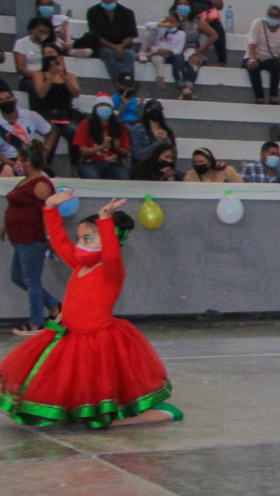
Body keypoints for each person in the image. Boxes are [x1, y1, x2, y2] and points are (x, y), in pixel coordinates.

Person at [0, 193, 182, 427]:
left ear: (108, 240)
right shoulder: (79, 265)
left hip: (97, 342)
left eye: (87, 239)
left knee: (103, 413)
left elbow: (112, 253)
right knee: (72, 388)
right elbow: (59, 242)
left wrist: (105, 220)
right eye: (79, 238)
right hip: (70, 336)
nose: (79, 244)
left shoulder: (111, 270)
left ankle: (163, 413)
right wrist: (50, 208)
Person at [3, 144, 59, 336]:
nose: (17, 162)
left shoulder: (41, 184)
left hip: (32, 239)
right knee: (18, 277)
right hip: (19, 238)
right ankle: (54, 306)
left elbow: (48, 213)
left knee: (32, 280)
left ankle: (36, 322)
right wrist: (6, 227)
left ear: (27, 161)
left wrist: (49, 237)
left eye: (19, 159)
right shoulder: (27, 180)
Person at [30, 48, 80, 178]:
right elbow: (41, 94)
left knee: (75, 131)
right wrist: (51, 76)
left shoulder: (69, 76)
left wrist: (63, 75)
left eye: (52, 54)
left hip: (65, 114)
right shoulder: (39, 74)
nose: (50, 58)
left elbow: (76, 93)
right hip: (46, 113)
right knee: (53, 131)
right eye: (46, 55)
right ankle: (45, 165)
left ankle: (74, 168)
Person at [154, 0, 217, 100]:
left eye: (186, 4)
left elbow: (214, 35)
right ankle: (184, 89)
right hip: (173, 51)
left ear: (190, 6)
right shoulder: (170, 19)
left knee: (195, 60)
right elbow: (157, 29)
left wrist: (202, 49)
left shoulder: (197, 22)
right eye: (180, 4)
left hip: (190, 50)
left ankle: (187, 88)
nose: (182, 6)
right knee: (178, 59)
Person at [73, 93, 130, 180]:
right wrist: (101, 147)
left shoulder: (120, 127)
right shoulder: (85, 124)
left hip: (114, 164)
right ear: (95, 108)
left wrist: (117, 148)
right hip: (91, 163)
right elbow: (83, 151)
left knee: (124, 177)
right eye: (101, 105)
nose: (105, 107)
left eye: (107, 105)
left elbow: (126, 152)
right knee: (93, 177)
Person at [244, 5, 280, 105]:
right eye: (271, 14)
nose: (273, 17)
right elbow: (252, 42)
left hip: (269, 58)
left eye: (276, 15)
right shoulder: (258, 23)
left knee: (277, 66)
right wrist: (252, 58)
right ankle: (259, 98)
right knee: (253, 67)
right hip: (254, 56)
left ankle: (273, 97)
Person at [0, 89, 53, 176]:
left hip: (32, 159)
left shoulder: (31, 115)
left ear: (15, 101)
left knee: (49, 174)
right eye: (1, 100)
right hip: (10, 161)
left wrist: (44, 154)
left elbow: (52, 132)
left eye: (8, 98)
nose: (5, 102)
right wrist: (14, 165)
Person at [86, 1, 137, 84]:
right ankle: (120, 83)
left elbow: (130, 35)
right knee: (108, 54)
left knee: (130, 55)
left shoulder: (127, 13)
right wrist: (113, 47)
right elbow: (95, 35)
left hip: (123, 47)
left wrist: (121, 46)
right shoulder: (93, 11)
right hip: (102, 47)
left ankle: (127, 80)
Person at [13, 17, 55, 97]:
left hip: (49, 76)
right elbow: (20, 68)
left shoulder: (51, 45)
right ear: (32, 29)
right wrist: (38, 76)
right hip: (30, 78)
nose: (43, 34)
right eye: (41, 31)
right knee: (36, 87)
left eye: (46, 32)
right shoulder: (21, 43)